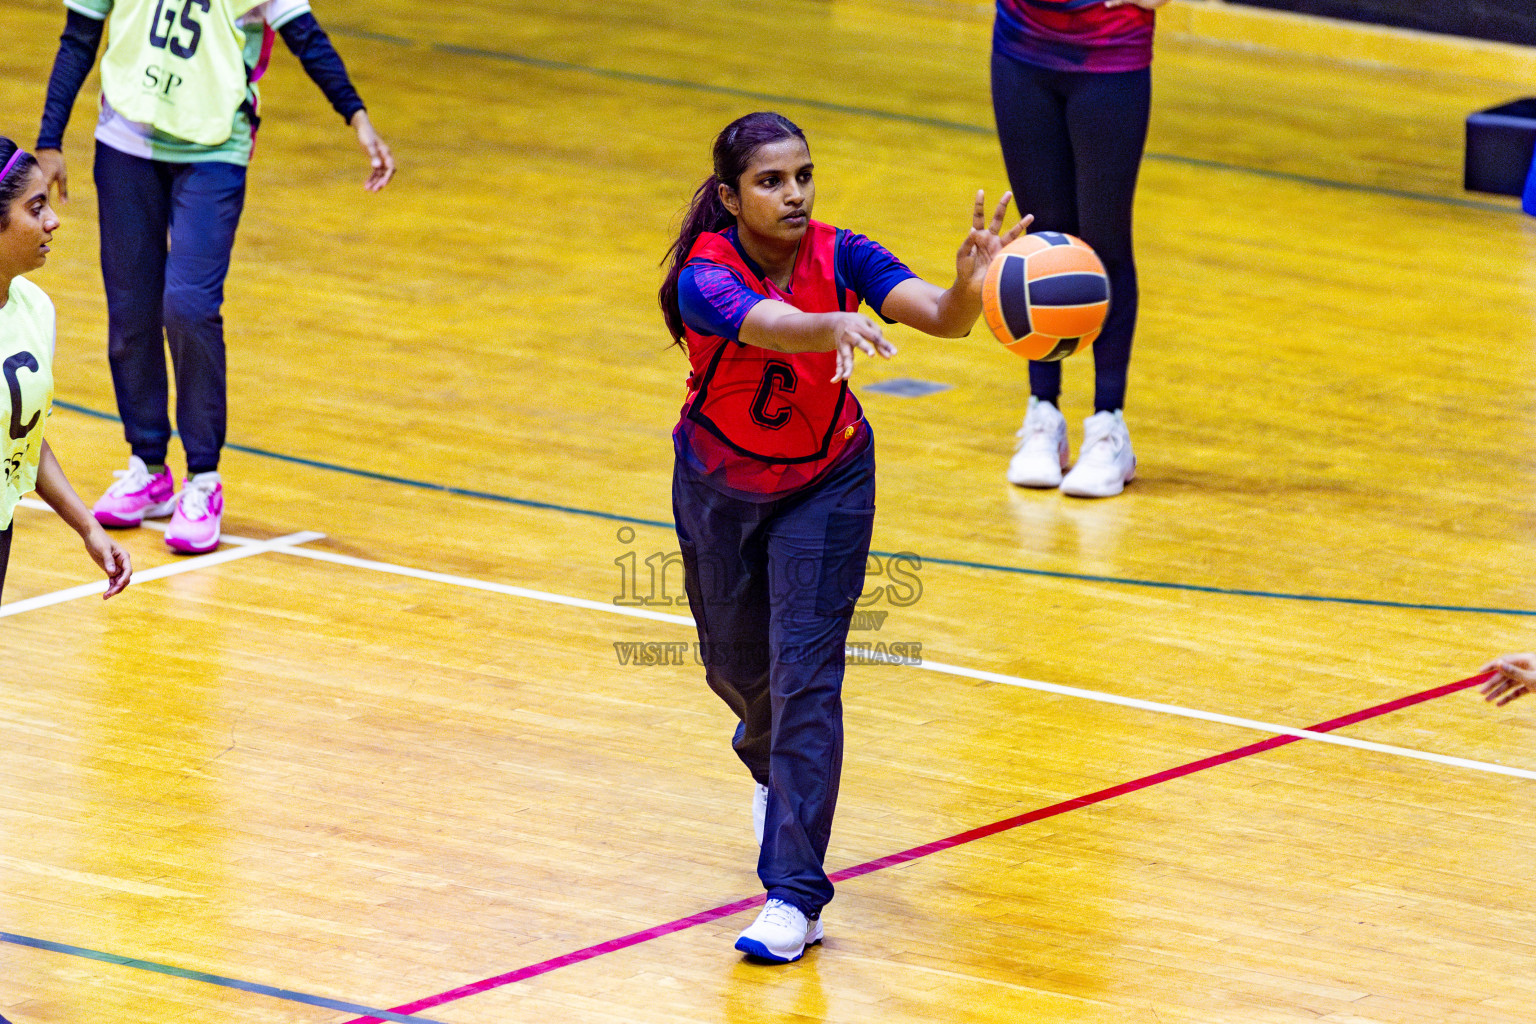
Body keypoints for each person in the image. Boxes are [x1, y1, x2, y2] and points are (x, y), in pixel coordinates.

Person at [658, 111, 1028, 964]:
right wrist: (831, 326)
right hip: (718, 486)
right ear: (730, 195)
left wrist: (969, 283)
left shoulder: (845, 253)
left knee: (806, 679)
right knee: (736, 669)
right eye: (770, 181)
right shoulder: (704, 274)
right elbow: (765, 324)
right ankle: (771, 770)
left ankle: (794, 896)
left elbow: (942, 317)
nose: (793, 195)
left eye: (803, 176)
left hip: (826, 482)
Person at [34, 0, 395, 553]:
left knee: (189, 306)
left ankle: (203, 480)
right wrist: (51, 138)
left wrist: (358, 116)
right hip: (125, 142)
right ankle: (148, 466)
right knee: (131, 312)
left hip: (216, 149)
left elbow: (305, 36)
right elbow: (79, 35)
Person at [993, 0, 1171, 498]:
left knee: (1105, 241)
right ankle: (1043, 415)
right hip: (1021, 46)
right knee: (1042, 240)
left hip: (1111, 53)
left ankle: (1108, 426)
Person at [0, 138, 132, 604]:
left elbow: (24, 440)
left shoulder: (35, 310)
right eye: (36, 209)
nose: (53, 221)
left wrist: (88, 528)